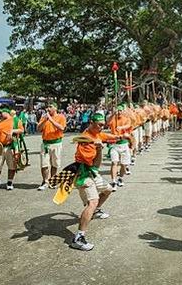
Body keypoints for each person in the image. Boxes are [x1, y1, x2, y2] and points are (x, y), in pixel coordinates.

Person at [71, 113, 129, 251]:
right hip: (83, 174)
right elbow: (96, 164)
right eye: (99, 125)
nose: (102, 128)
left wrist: (121, 137)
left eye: (103, 125)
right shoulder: (85, 141)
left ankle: (95, 212)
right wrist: (98, 149)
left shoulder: (97, 134)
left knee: (108, 189)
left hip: (92, 173)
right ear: (91, 123)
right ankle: (78, 238)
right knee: (93, 202)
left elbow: (110, 137)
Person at [0, 108, 24, 191]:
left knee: (12, 165)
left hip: (12, 146)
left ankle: (10, 182)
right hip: (0, 146)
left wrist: (12, 131)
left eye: (1, 112)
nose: (0, 114)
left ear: (6, 112)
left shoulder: (15, 120)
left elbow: (21, 130)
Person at [37, 102, 66, 191]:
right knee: (44, 164)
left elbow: (62, 128)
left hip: (56, 143)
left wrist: (51, 120)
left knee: (55, 163)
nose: (48, 109)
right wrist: (45, 120)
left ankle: (52, 181)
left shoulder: (61, 117)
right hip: (45, 143)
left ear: (55, 108)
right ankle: (45, 181)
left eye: (50, 106)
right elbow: (38, 129)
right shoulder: (43, 117)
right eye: (47, 107)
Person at [107, 104, 133, 191]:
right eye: (117, 110)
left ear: (123, 111)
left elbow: (128, 125)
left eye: (120, 110)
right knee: (114, 163)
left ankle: (120, 178)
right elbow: (107, 122)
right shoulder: (112, 118)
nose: (119, 112)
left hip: (124, 144)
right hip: (114, 144)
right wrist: (112, 114)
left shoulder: (126, 119)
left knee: (123, 165)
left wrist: (121, 127)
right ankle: (113, 181)